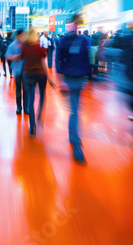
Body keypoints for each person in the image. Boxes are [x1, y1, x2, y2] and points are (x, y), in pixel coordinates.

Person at [55, 14, 90, 163]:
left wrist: (88, 76)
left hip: (79, 79)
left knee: (75, 110)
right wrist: (61, 81)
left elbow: (88, 59)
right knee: (75, 111)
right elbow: (58, 61)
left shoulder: (85, 40)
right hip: (69, 80)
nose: (75, 26)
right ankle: (76, 143)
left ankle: (73, 137)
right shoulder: (63, 42)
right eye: (73, 23)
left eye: (77, 23)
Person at [18, 29, 55, 136]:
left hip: (28, 75)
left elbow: (20, 59)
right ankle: (39, 116)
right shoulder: (40, 48)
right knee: (43, 95)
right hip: (41, 75)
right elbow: (44, 64)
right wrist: (49, 78)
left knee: (31, 98)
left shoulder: (24, 47)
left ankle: (32, 126)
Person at [6, 29, 28, 114]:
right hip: (17, 70)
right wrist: (18, 56)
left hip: (26, 70)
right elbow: (7, 56)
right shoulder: (12, 45)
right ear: (18, 35)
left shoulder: (26, 44)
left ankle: (26, 107)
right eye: (22, 35)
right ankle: (19, 107)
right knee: (18, 89)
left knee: (26, 90)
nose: (24, 37)